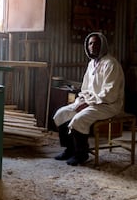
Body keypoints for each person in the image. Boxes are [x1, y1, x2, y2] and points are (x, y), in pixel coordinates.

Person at [53, 32, 124, 166]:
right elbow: (85, 88)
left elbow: (110, 93)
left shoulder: (111, 64)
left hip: (108, 105)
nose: (92, 46)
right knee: (61, 114)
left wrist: (87, 103)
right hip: (90, 102)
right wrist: (82, 100)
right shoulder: (91, 63)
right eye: (90, 43)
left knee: (79, 120)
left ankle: (81, 154)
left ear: (103, 45)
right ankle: (70, 149)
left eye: (96, 43)